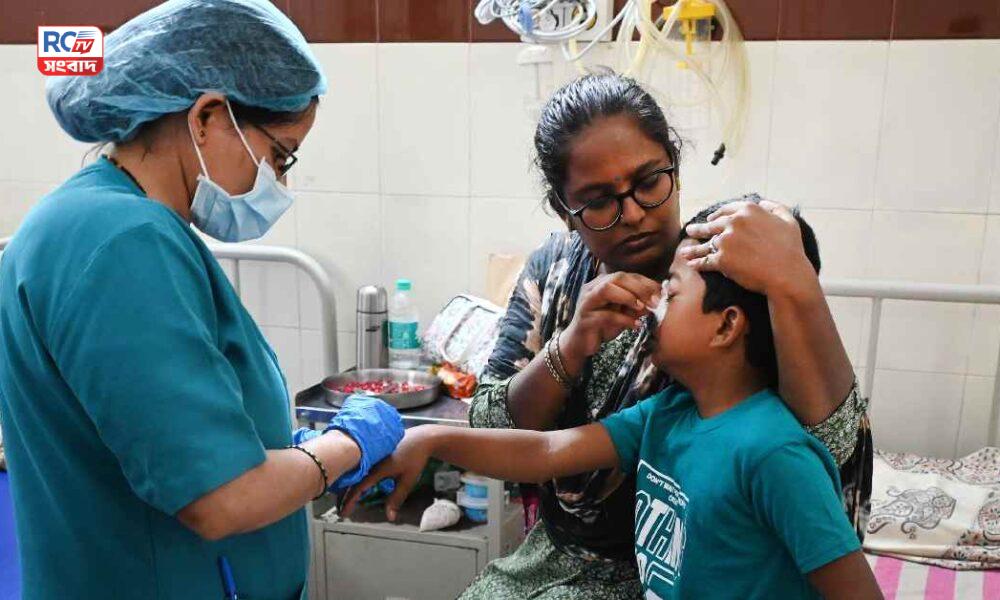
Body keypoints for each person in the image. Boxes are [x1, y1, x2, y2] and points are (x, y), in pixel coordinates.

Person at [0, 1, 403, 598]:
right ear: (209, 117)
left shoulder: (99, 221)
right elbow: (219, 499)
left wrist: (285, 457)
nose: (280, 182)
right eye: (280, 154)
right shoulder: (124, 243)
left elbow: (155, 433)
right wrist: (344, 447)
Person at [459, 73, 873, 597]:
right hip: (558, 555)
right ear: (565, 211)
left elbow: (827, 453)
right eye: (598, 201)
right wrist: (571, 345)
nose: (633, 214)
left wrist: (794, 278)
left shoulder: (722, 272)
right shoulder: (554, 274)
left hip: (689, 573)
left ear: (674, 165)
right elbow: (505, 432)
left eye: (650, 181)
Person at [344, 200, 883, 599]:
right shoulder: (669, 415)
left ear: (726, 326)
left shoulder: (774, 455)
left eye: (672, 290)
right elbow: (546, 451)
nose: (654, 301)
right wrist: (432, 438)